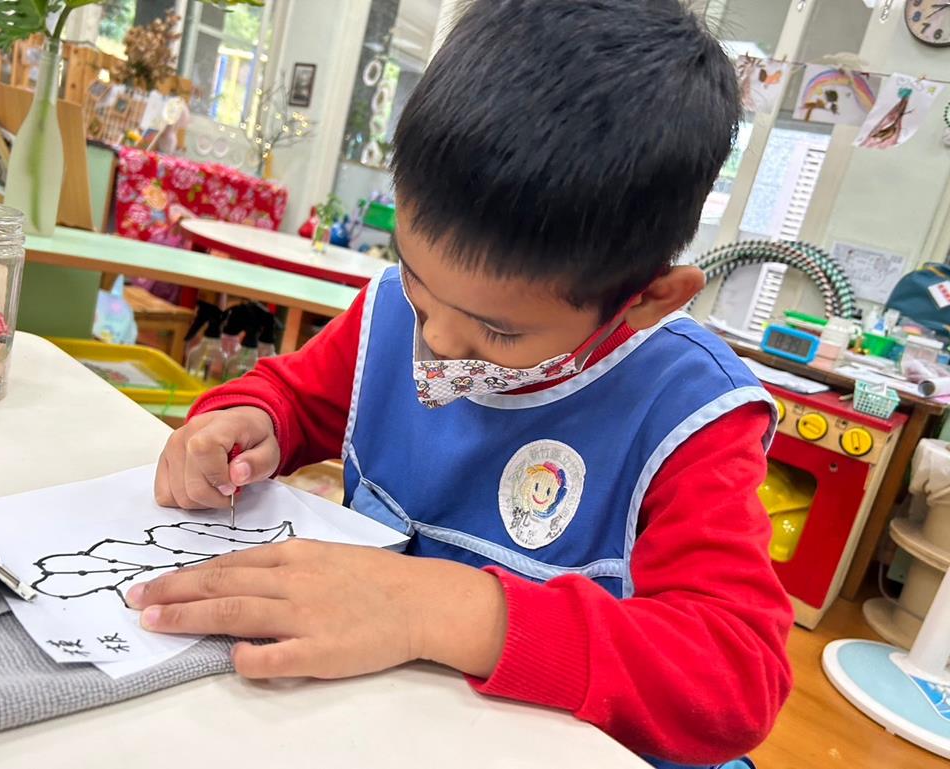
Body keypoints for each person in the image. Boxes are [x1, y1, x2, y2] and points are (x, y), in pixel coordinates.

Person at [131, 2, 793, 766]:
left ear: (645, 299)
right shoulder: (394, 314)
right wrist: (246, 421)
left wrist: (438, 607)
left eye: (498, 331)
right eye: (415, 278)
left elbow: (735, 677)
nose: (438, 340)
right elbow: (296, 398)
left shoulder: (687, 412)